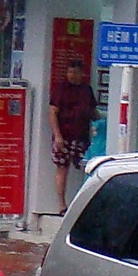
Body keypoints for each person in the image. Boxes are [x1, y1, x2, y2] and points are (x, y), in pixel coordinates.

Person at [50, 61, 99, 210]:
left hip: (81, 135)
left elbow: (93, 112)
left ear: (81, 74)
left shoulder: (86, 90)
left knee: (86, 167)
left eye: (75, 72)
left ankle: (84, 204)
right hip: (64, 135)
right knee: (62, 167)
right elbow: (52, 112)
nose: (72, 75)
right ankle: (61, 205)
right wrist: (57, 136)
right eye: (70, 72)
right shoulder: (60, 89)